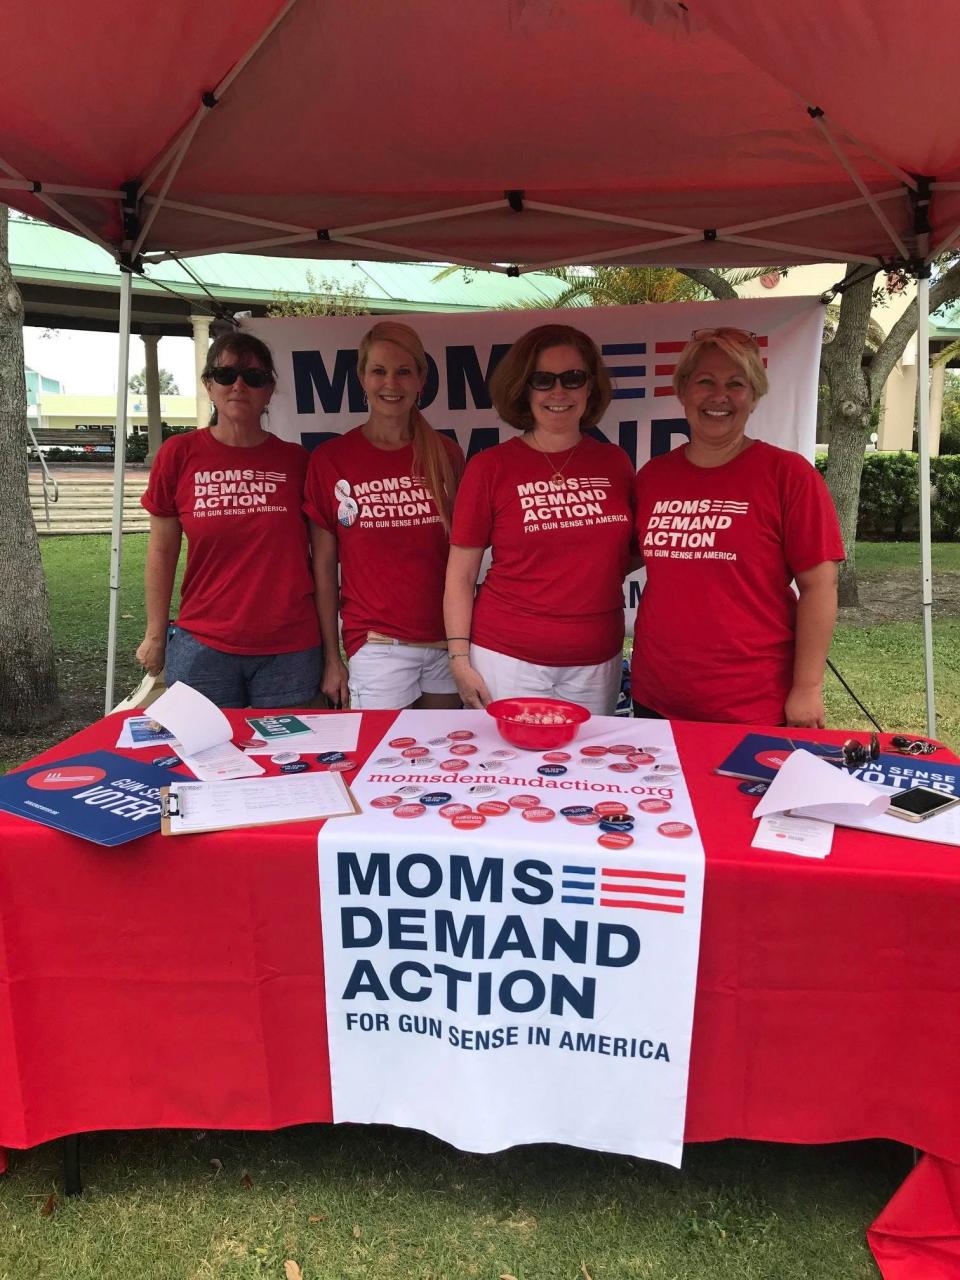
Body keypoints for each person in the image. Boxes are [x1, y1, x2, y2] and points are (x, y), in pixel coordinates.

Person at [630, 326, 844, 727]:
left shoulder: (788, 475)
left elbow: (820, 585)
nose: (719, 396)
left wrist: (807, 687)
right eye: (705, 381)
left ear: (754, 396)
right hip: (656, 695)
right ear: (682, 391)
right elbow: (616, 556)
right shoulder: (654, 476)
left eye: (736, 384)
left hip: (751, 702)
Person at [444, 323, 635, 714]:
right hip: (508, 658)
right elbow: (460, 575)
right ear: (523, 388)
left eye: (573, 378)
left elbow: (629, 551)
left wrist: (584, 573)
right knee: (505, 773)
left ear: (590, 386)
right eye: (542, 380)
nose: (558, 392)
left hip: (596, 659)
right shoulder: (490, 467)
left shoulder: (615, 462)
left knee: (587, 770)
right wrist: (459, 658)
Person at [136, 331, 322, 708]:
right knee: (203, 760)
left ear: (269, 390)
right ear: (209, 385)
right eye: (226, 374)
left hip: (289, 645)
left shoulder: (298, 462)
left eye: (253, 377)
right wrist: (155, 634)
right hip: (203, 642)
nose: (239, 385)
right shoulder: (179, 455)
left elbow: (322, 557)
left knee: (290, 761)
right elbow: (161, 551)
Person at [304, 321, 465, 710]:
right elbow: (324, 570)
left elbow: (463, 556)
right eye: (379, 370)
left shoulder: (447, 454)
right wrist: (331, 658)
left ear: (421, 379)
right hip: (377, 646)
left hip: (446, 642)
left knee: (442, 765)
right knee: (382, 765)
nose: (391, 383)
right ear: (362, 377)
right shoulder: (332, 459)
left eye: (403, 371)